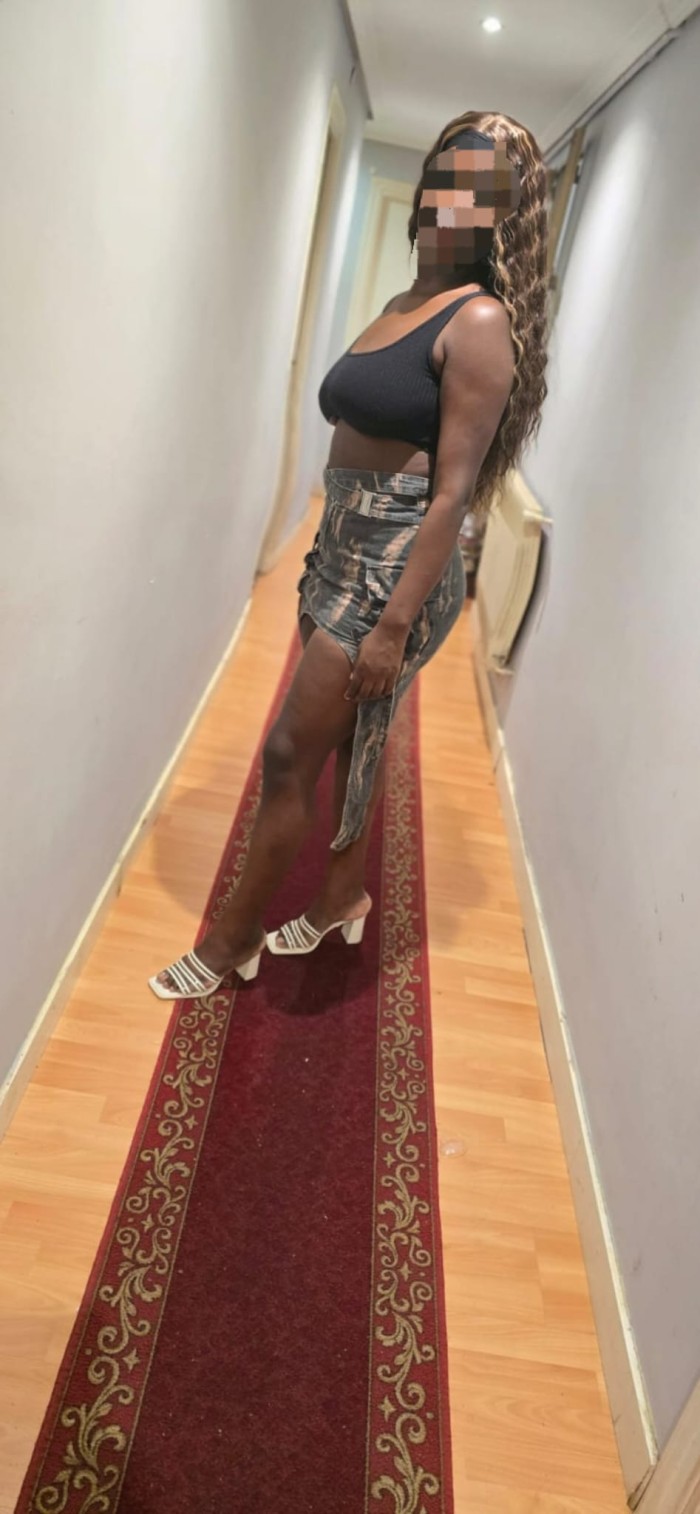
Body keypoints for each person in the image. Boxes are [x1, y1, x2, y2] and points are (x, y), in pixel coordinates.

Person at [149, 110, 550, 1001]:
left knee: (290, 751)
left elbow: (451, 494)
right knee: (342, 739)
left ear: (503, 214)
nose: (450, 198)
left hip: (393, 566)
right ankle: (340, 898)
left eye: (478, 189)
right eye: (446, 174)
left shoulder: (479, 319)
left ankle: (231, 942)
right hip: (340, 547)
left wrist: (393, 626)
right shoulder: (405, 302)